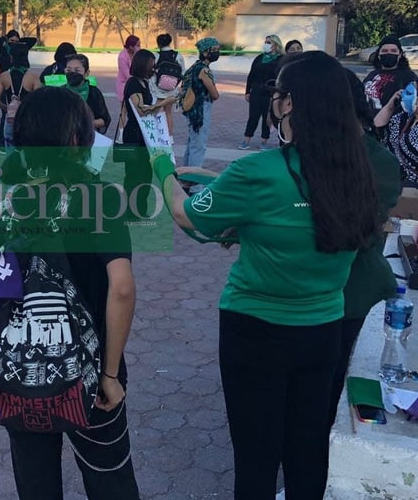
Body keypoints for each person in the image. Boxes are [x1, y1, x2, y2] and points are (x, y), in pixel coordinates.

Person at [155, 50, 379, 500]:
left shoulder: (257, 172)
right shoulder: (357, 172)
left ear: (290, 103)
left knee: (256, 455)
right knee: (307, 448)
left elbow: (184, 215)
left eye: (277, 93)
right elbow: (306, 223)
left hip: (254, 331)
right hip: (322, 332)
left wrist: (162, 166)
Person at [0, 86, 140, 500]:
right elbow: (121, 288)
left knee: (36, 485)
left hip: (23, 376)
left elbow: (0, 299)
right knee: (110, 481)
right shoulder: (100, 199)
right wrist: (110, 374)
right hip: (90, 378)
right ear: (77, 140)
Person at [326, 70, 401, 433]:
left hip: (349, 294)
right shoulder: (309, 153)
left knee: (335, 382)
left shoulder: (378, 162)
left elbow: (354, 230)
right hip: (321, 295)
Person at [121, 49, 157, 218]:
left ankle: (140, 209)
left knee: (145, 174)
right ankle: (130, 211)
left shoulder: (144, 83)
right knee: (134, 175)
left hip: (144, 135)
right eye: (152, 65)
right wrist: (164, 103)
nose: (154, 69)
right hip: (134, 135)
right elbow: (140, 111)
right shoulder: (133, 83)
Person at [181, 37, 220, 190]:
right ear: (205, 52)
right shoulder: (204, 70)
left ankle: (185, 178)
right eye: (214, 50)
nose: (217, 53)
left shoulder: (194, 67)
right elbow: (215, 94)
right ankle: (195, 185)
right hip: (201, 110)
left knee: (192, 144)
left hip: (192, 110)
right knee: (199, 146)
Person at [0, 42, 42, 153]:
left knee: (10, 154)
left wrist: (8, 108)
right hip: (27, 121)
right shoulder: (33, 78)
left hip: (10, 120)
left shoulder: (4, 76)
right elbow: (39, 102)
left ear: (11, 57)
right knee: (26, 154)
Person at [373, 72, 418, 187]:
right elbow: (377, 126)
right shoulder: (405, 117)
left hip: (412, 187)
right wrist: (390, 106)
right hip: (392, 179)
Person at [239, 34, 283, 150]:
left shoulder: (280, 59)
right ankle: (246, 140)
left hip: (270, 92)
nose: (266, 45)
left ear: (275, 45)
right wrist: (247, 91)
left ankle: (264, 141)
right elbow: (251, 75)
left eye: (269, 42)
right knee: (253, 116)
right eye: (265, 42)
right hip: (256, 90)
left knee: (267, 117)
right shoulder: (259, 58)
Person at [363, 34, 418, 111]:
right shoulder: (372, 74)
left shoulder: (408, 77)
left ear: (400, 55)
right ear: (379, 54)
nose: (389, 53)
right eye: (385, 51)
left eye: (393, 51)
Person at [63, 53, 111, 134]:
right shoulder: (60, 92)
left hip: (87, 137)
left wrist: (87, 124)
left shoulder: (94, 92)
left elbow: (104, 119)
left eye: (77, 70)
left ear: (87, 73)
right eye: (69, 70)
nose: (72, 73)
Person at [149, 32, 186, 136]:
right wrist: (176, 84)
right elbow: (182, 71)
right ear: (170, 42)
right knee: (169, 113)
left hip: (158, 88)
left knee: (159, 112)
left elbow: (151, 71)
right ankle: (170, 136)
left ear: (159, 44)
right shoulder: (177, 55)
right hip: (172, 88)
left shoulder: (156, 55)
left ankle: (160, 135)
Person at [115, 35, 141, 110]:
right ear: (131, 47)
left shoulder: (137, 55)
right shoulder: (122, 57)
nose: (139, 47)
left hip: (135, 85)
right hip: (124, 85)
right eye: (137, 45)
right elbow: (127, 74)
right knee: (124, 110)